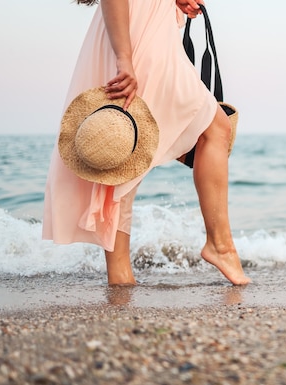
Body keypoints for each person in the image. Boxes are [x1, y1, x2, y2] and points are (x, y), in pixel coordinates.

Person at [43, 0, 251, 286]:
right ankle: (220, 245)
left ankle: (121, 277)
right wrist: (124, 58)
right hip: (137, 36)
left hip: (142, 31)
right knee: (213, 128)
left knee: (126, 152)